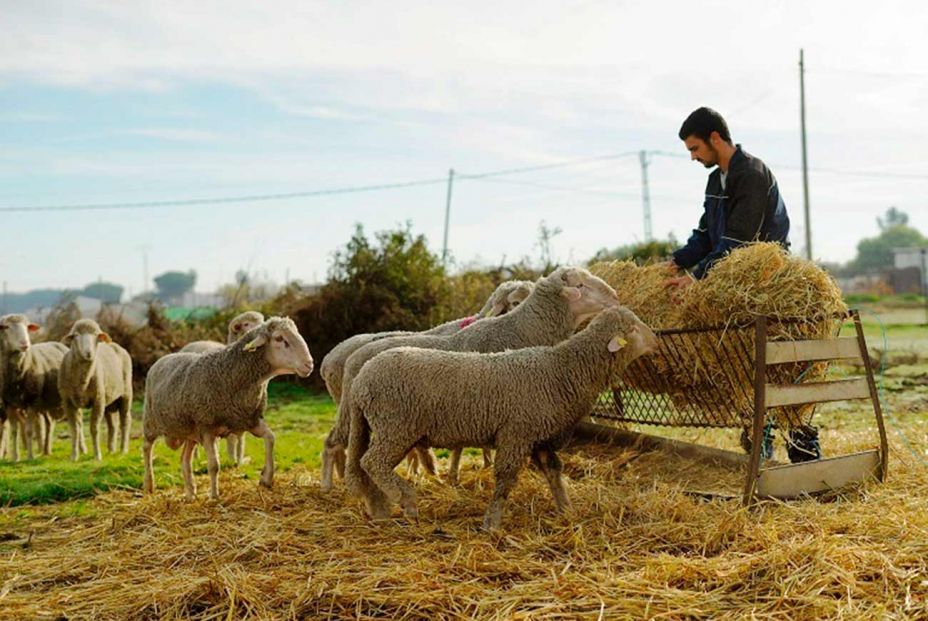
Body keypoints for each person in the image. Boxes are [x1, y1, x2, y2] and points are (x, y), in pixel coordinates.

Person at [665, 107, 790, 290]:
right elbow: (705, 234)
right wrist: (676, 262)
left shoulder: (752, 174)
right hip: (729, 278)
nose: (693, 157)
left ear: (715, 138)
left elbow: (738, 242)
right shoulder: (715, 180)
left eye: (695, 148)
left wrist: (698, 276)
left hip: (763, 281)